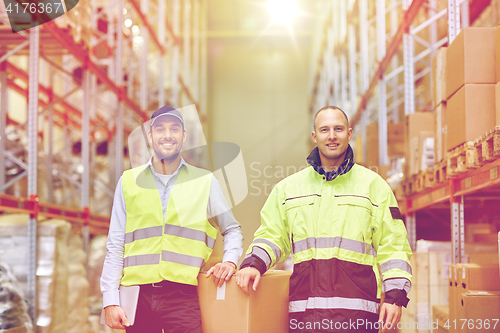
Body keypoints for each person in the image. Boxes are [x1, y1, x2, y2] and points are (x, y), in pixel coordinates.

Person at [236, 106, 412, 333]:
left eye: (338, 129)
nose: (331, 136)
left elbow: (394, 246)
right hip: (305, 316)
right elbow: (271, 235)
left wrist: (395, 297)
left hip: (357, 317)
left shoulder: (373, 186)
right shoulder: (288, 189)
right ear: (314, 136)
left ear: (349, 134)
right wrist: (253, 264)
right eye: (324, 129)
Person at [101, 105, 244, 332]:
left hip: (183, 297)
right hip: (137, 296)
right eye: (160, 129)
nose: (167, 135)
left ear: (183, 136)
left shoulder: (204, 182)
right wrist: (110, 299)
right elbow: (116, 245)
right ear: (150, 135)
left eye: (175, 129)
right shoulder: (128, 182)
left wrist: (230, 261)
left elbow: (232, 229)